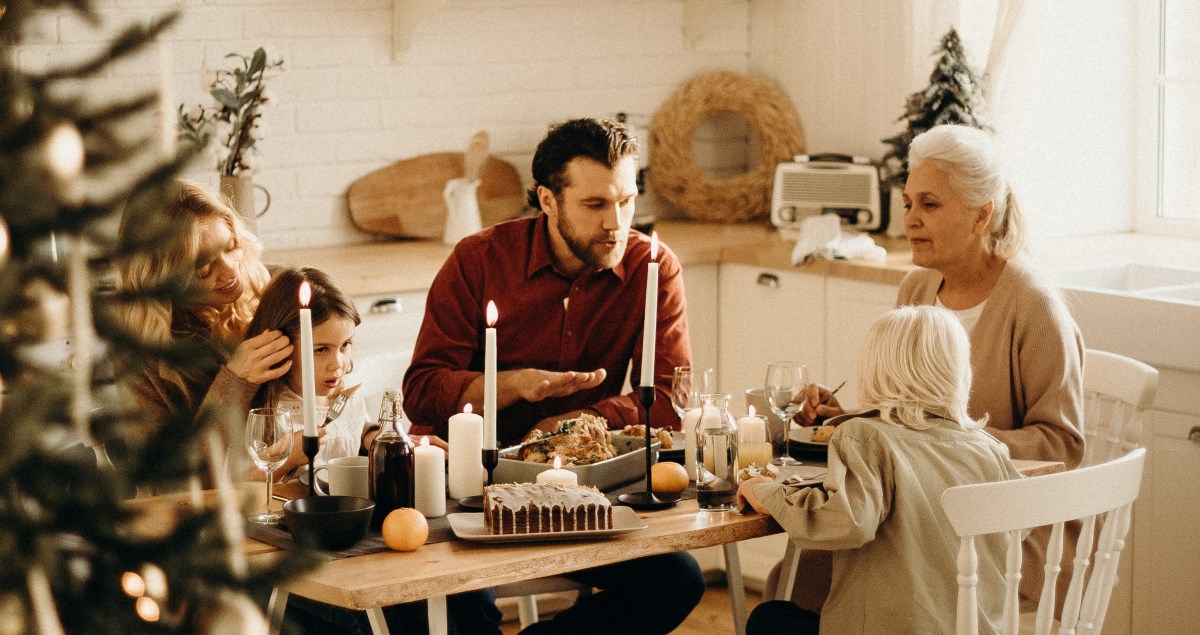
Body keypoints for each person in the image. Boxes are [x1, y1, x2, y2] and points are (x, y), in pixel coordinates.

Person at [403, 118, 704, 634]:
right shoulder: (478, 261)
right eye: (596, 205)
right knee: (460, 608)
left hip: (583, 495)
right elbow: (422, 393)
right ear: (547, 200)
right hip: (471, 492)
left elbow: (671, 399)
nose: (617, 223)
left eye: (627, 201)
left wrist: (579, 420)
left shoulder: (653, 268)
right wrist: (512, 385)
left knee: (679, 580)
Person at [795, 124, 1085, 613]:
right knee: (804, 567)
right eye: (908, 204)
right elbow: (906, 415)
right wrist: (845, 417)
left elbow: (1062, 445)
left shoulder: (1033, 306)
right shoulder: (915, 290)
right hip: (920, 510)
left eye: (930, 205)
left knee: (855, 568)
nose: (911, 219)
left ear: (981, 215)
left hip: (1004, 530)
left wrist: (953, 441)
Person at [738, 305, 1023, 634]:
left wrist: (767, 492)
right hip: (975, 628)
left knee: (768, 619)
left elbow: (846, 522)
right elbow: (1018, 529)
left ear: (875, 371)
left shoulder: (866, 436)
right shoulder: (988, 448)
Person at [116, 180, 292, 447]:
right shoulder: (142, 361)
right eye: (203, 266)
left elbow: (329, 394)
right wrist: (235, 381)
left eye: (230, 246)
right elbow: (168, 479)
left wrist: (366, 433)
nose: (231, 271)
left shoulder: (272, 289)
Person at [240, 266, 377, 477]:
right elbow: (232, 489)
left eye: (345, 345)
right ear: (280, 348)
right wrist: (286, 458)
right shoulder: (263, 411)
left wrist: (373, 437)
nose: (338, 363)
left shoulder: (347, 399)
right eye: (321, 350)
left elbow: (356, 436)